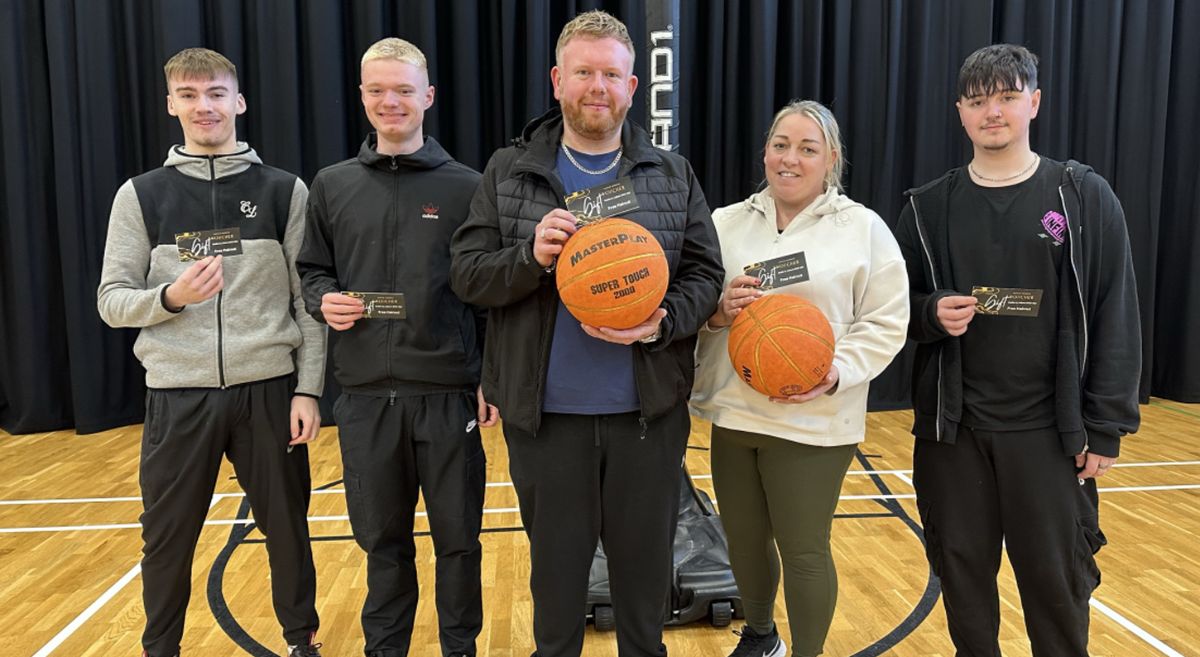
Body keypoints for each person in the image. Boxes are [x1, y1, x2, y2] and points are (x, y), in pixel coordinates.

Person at [449, 10, 723, 657]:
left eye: (611, 74)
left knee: (643, 596)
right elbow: (466, 274)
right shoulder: (509, 172)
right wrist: (527, 258)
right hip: (548, 422)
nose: (597, 86)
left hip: (646, 418)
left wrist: (664, 321)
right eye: (583, 72)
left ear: (632, 87)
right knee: (557, 598)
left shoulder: (671, 174)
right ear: (556, 80)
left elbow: (706, 274)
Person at [893, 44, 1141, 656]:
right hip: (955, 437)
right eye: (978, 101)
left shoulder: (1082, 197)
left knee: (1057, 593)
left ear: (1034, 101)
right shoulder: (927, 208)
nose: (993, 112)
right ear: (960, 112)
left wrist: (1104, 428)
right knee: (966, 592)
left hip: (1049, 438)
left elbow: (1116, 312)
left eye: (1006, 97)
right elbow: (890, 308)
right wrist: (929, 313)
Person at [96, 48, 325, 657]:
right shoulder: (140, 196)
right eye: (191, 95)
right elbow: (111, 300)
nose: (205, 106)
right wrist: (169, 296)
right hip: (178, 394)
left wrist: (307, 389)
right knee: (166, 538)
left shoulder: (283, 191)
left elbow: (309, 302)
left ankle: (302, 640)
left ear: (239, 101)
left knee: (287, 531)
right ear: (171, 104)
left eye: (217, 93)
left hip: (268, 390)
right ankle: (159, 647)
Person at [296, 38, 496, 657]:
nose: (391, 101)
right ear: (361, 96)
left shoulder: (469, 186)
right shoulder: (331, 186)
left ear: (428, 97)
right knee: (382, 544)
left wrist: (488, 375)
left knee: (459, 542)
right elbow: (312, 271)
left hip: (447, 394)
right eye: (378, 89)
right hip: (362, 399)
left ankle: (459, 647)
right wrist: (322, 299)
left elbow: (489, 292)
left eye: (404, 89)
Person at [690, 100, 909, 657]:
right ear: (765, 150)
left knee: (804, 548)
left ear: (830, 158)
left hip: (814, 417)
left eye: (807, 148)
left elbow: (887, 321)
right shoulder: (724, 222)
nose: (791, 158)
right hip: (736, 411)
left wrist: (837, 372)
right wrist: (717, 310)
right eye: (781, 145)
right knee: (741, 540)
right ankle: (761, 637)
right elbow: (693, 304)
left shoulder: (863, 229)